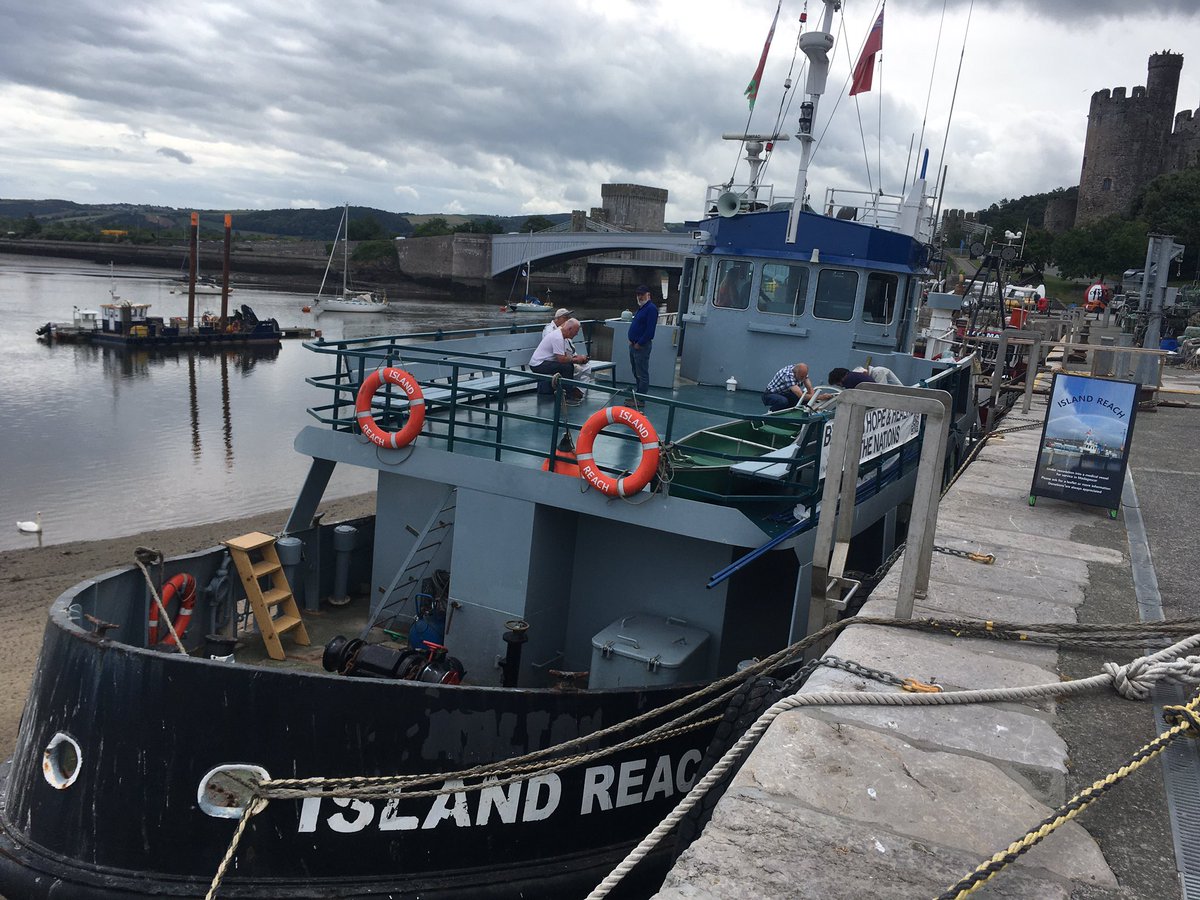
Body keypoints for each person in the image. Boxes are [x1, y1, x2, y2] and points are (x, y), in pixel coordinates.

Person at [531, 317, 587, 401]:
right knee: (567, 367)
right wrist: (576, 360)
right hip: (538, 364)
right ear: (569, 329)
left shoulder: (560, 335)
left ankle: (567, 391)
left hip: (544, 362)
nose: (576, 334)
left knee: (568, 366)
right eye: (575, 332)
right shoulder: (558, 337)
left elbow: (563, 355)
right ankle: (567, 394)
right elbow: (561, 359)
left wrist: (575, 358)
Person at [628, 284, 657, 399]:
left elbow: (650, 331)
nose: (639, 297)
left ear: (648, 295)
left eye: (642, 294)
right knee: (636, 372)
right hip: (634, 345)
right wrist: (632, 340)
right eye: (638, 294)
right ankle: (638, 393)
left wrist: (639, 343)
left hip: (641, 347)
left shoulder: (651, 309)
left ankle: (641, 398)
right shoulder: (642, 308)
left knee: (642, 373)